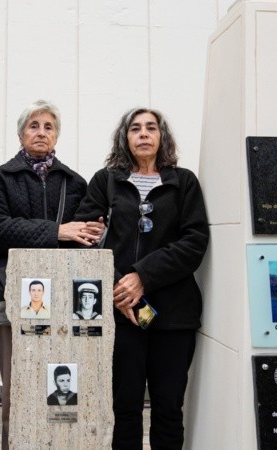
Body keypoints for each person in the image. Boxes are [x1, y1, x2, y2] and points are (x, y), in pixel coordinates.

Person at [75, 107, 209, 449]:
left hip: (174, 314)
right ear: (126, 137)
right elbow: (86, 240)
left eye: (151, 128)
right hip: (121, 314)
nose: (144, 134)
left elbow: (194, 242)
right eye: (136, 128)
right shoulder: (106, 181)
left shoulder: (184, 182)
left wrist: (142, 277)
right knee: (125, 408)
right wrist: (122, 287)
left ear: (162, 136)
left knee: (168, 407)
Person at [0, 99, 104, 449]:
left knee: (59, 389)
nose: (41, 132)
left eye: (48, 127)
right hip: (13, 295)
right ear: (21, 134)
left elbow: (84, 237)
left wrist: (96, 231)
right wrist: (57, 231)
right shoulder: (0, 178)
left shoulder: (75, 182)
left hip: (64, 303)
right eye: (34, 125)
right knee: (15, 391)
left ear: (57, 136)